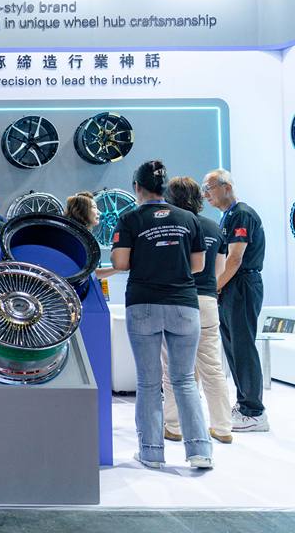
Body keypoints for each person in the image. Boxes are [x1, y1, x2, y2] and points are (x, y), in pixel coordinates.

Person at [111, 159, 212, 469]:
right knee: (184, 380)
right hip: (184, 305)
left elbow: (120, 263)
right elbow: (198, 266)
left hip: (143, 304)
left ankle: (152, 452)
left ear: (137, 187)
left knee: (148, 382)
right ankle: (199, 451)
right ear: (165, 188)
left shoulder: (129, 219)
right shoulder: (189, 219)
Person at [161, 177, 233, 444]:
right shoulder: (214, 226)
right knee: (212, 366)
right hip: (207, 302)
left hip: (178, 300)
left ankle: (174, 426)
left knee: (175, 369)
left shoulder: (172, 226)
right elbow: (219, 270)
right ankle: (222, 427)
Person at [203, 168, 268, 432]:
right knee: (232, 347)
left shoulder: (242, 214)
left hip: (242, 284)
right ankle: (243, 405)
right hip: (232, 286)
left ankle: (254, 411)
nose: (205, 194)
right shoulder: (227, 217)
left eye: (209, 188)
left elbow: (235, 258)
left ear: (226, 187)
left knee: (242, 346)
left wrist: (215, 287)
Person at [64, 191, 117, 280]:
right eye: (94, 207)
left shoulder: (77, 235)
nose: (99, 212)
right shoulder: (76, 239)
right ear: (81, 211)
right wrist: (118, 268)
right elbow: (88, 274)